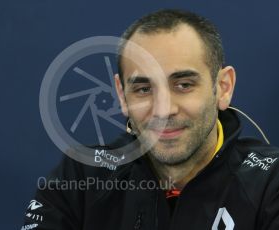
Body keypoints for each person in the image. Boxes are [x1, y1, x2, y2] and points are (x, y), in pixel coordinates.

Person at [21, 9, 279, 230]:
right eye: (143, 89)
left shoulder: (271, 183)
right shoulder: (80, 177)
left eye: (184, 84)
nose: (163, 110)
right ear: (122, 96)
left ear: (223, 87)